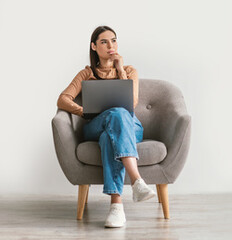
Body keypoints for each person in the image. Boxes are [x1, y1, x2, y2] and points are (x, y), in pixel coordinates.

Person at [57, 26, 157, 228]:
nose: (110, 45)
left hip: (130, 126)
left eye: (113, 40)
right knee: (115, 114)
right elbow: (63, 99)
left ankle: (116, 207)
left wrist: (119, 69)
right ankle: (137, 180)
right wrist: (83, 111)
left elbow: (132, 101)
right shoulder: (86, 73)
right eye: (104, 42)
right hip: (95, 124)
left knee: (110, 133)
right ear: (94, 46)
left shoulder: (129, 71)